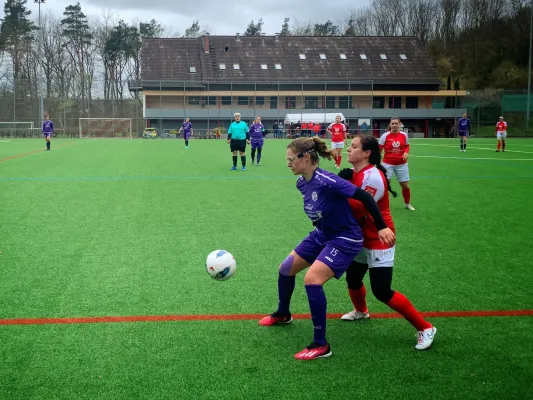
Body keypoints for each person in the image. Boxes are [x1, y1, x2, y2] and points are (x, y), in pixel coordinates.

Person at [258, 137, 396, 360]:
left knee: (312, 280)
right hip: (323, 234)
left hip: (345, 238)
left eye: (292, 159)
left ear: (306, 158)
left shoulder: (327, 180)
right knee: (286, 268)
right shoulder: (302, 183)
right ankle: (283, 314)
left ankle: (321, 345)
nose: (288, 163)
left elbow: (364, 198)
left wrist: (381, 227)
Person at [338, 135, 436, 351]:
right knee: (353, 279)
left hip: (380, 238)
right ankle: (361, 311)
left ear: (366, 154)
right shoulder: (356, 173)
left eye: (353, 146)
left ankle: (425, 327)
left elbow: (356, 209)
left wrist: (339, 188)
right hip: (361, 236)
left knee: (382, 291)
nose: (348, 149)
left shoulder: (371, 176)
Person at [379, 117, 415, 211]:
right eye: (392, 124)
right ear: (390, 125)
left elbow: (407, 146)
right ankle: (383, 205)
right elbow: (379, 149)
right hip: (387, 164)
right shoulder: (385, 136)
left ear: (399, 124)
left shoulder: (404, 135)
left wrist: (406, 152)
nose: (394, 125)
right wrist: (377, 162)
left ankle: (407, 203)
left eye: (396, 123)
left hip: (402, 164)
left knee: (405, 185)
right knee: (385, 185)